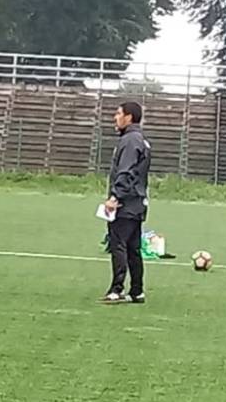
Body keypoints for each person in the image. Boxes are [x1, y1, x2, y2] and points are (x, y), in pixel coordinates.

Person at [101, 102, 152, 305]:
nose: (115, 117)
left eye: (118, 113)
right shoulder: (140, 140)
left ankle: (116, 289)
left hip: (126, 203)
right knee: (133, 248)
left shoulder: (130, 141)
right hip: (138, 202)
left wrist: (115, 197)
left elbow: (126, 171)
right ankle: (137, 291)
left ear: (129, 117)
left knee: (118, 245)